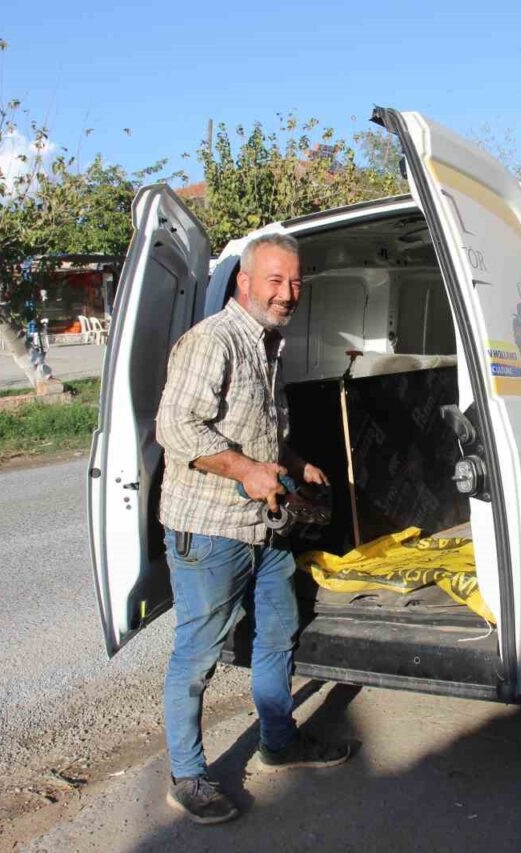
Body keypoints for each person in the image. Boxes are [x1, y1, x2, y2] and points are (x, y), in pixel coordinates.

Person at [155, 233, 350, 825]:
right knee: (198, 656)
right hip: (209, 529)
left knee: (278, 632)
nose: (288, 293)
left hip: (262, 529)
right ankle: (187, 776)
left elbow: (258, 431)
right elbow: (177, 428)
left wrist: (292, 464)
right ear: (243, 282)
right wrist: (245, 471)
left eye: (294, 282)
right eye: (275, 280)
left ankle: (278, 741)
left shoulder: (267, 345)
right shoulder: (212, 341)